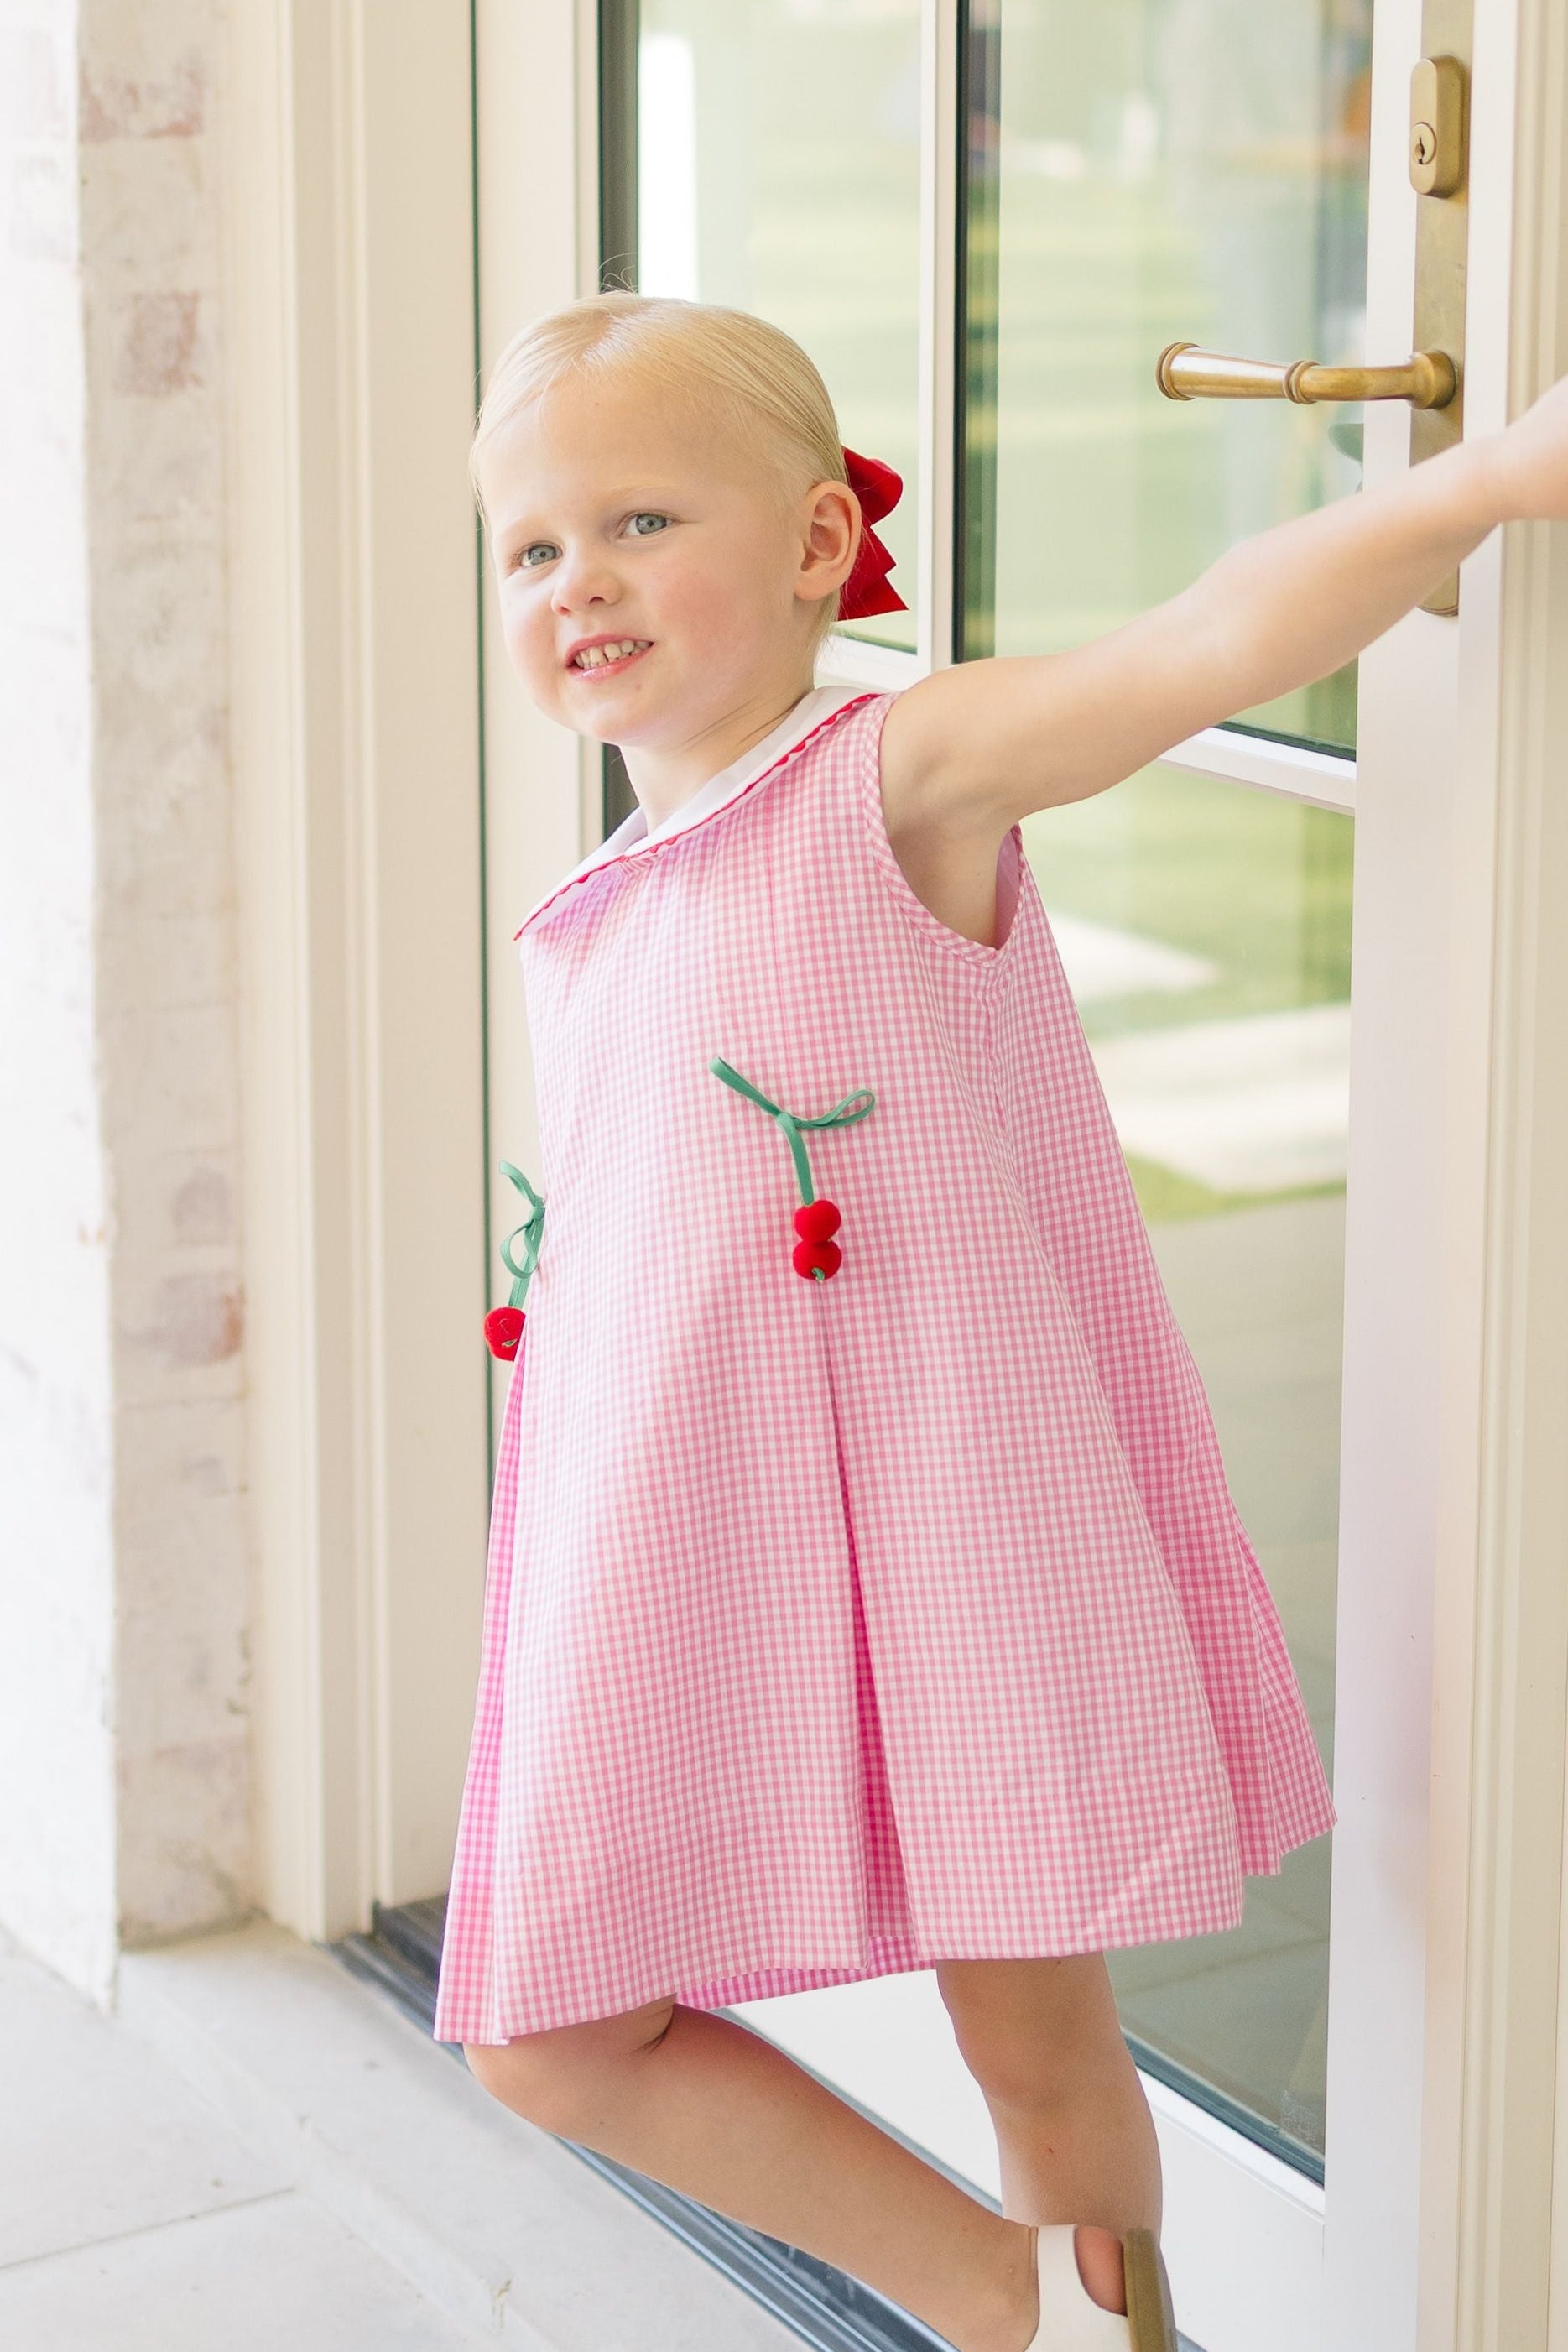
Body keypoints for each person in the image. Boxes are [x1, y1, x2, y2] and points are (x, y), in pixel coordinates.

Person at [432, 292, 1568, 2352]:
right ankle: (1021, 2305)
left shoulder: (891, 775)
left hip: (953, 1532)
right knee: (551, 2026)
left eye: (637, 521)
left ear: (812, 544)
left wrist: (1488, 478)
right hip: (704, 1545)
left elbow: (1196, 644)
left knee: (1036, 2048)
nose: (576, 580)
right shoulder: (603, 893)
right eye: (531, 547)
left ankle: (1089, 2318)